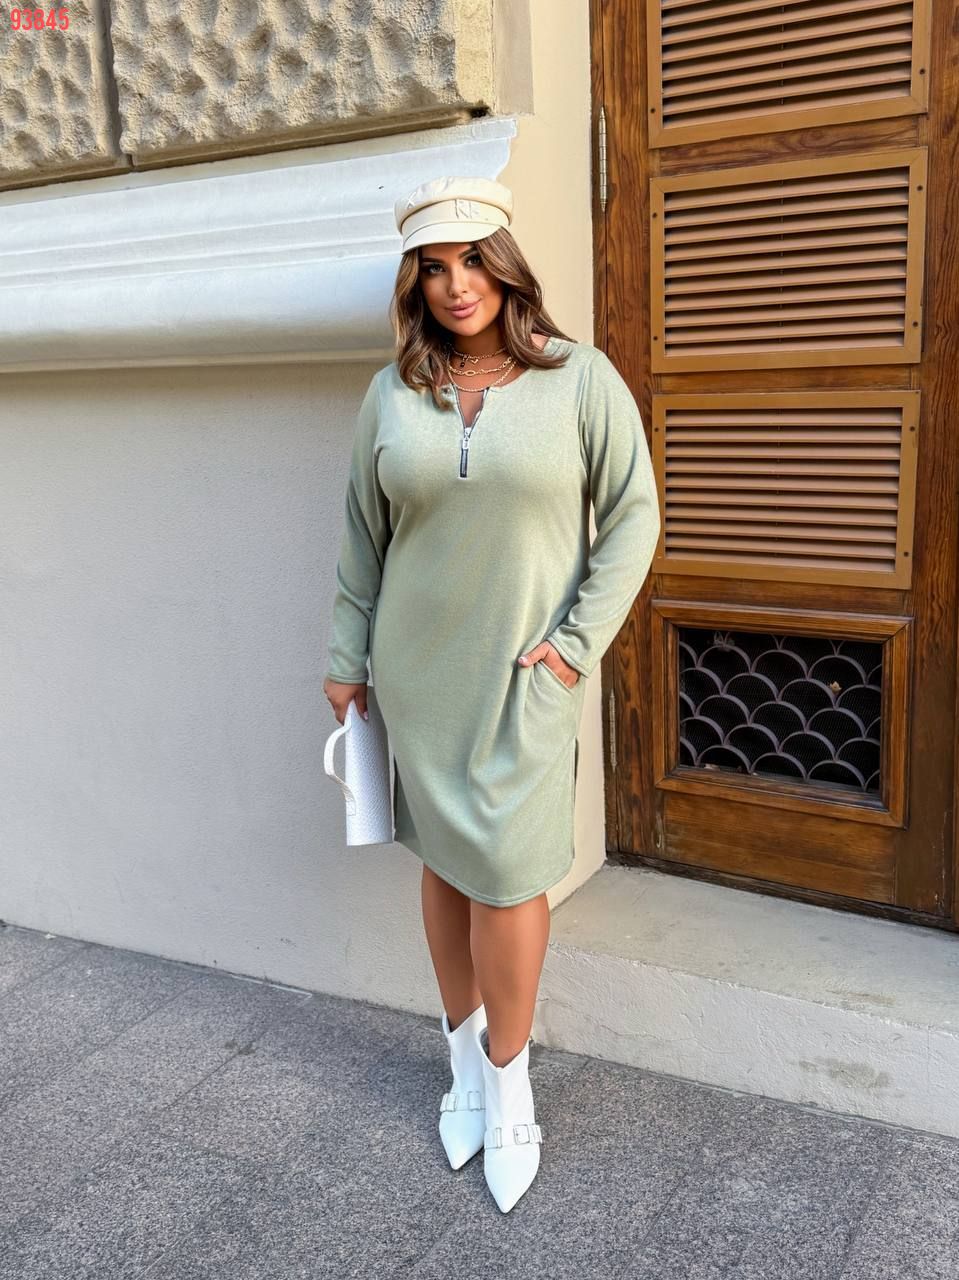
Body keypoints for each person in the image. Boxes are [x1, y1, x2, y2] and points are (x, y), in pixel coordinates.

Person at [323, 175, 661, 1213]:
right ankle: (462, 1064)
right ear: (413, 285)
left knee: (508, 877)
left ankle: (509, 1085)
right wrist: (345, 656)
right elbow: (362, 537)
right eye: (433, 267)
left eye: (472, 258)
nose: (455, 283)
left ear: (505, 265)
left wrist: (572, 647)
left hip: (524, 678)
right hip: (417, 675)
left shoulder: (579, 378)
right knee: (444, 862)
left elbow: (634, 515)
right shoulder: (392, 394)